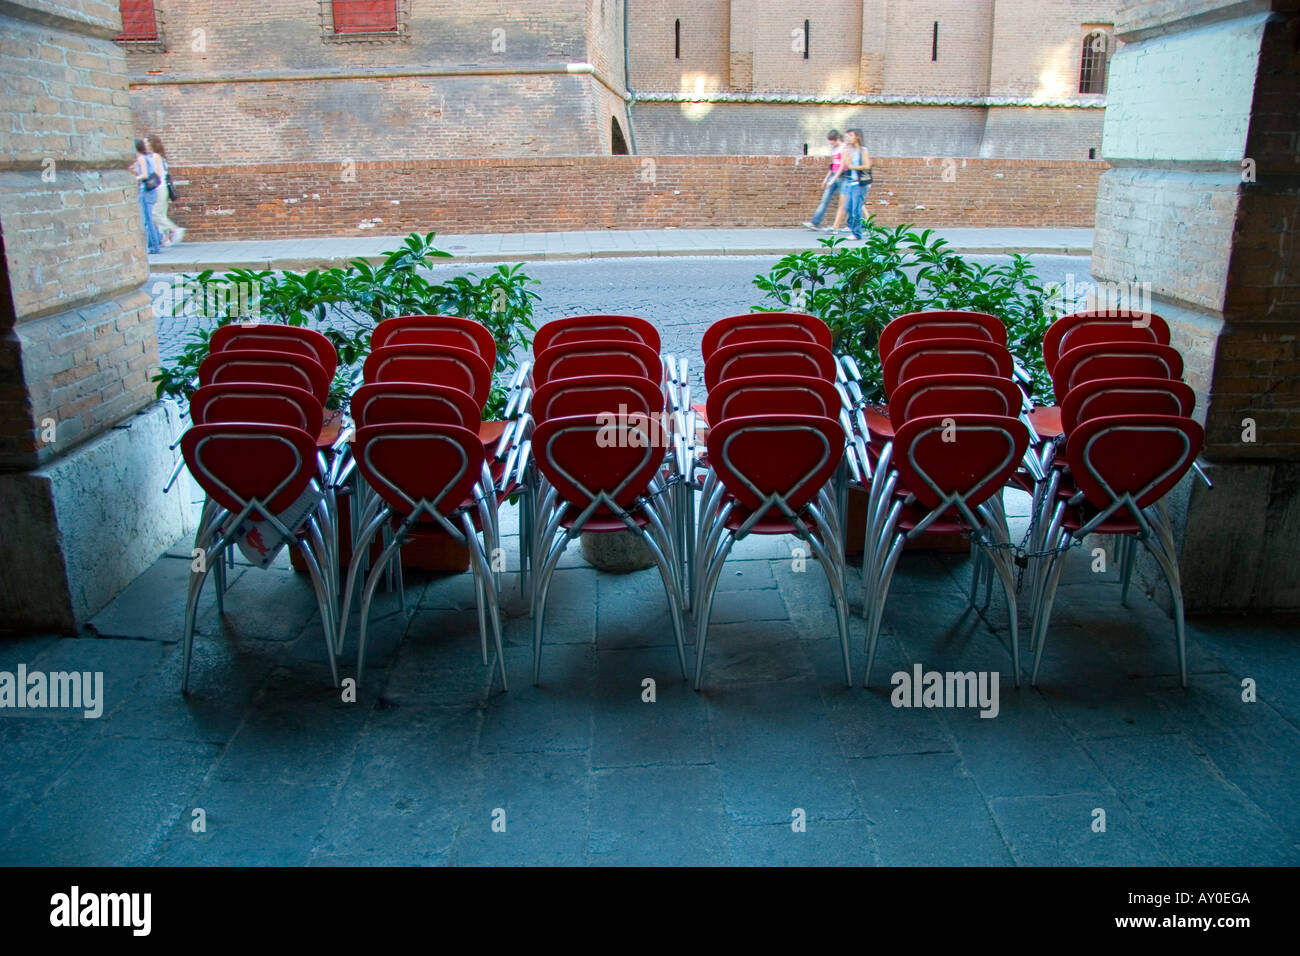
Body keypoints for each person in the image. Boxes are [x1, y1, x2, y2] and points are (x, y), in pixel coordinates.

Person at [802, 130, 847, 231]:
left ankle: (854, 224)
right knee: (824, 199)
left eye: (832, 141)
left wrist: (833, 179)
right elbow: (833, 165)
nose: (831, 144)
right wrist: (826, 178)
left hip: (842, 176)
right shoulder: (834, 148)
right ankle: (815, 222)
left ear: (837, 139)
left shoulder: (844, 148)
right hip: (833, 175)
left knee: (845, 202)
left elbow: (842, 165)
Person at [147, 134, 184, 246]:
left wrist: (147, 179)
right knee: (161, 214)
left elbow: (158, 173)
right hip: (164, 187)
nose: (145, 145)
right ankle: (165, 239)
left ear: (151, 144)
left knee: (154, 214)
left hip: (159, 187)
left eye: (146, 143)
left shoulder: (155, 156)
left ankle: (175, 229)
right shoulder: (161, 156)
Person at [131, 139, 163, 254]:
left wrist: (134, 178)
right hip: (151, 191)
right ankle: (156, 241)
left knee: (147, 221)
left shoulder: (141, 158)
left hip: (146, 191)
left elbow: (144, 175)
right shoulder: (147, 158)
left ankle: (154, 246)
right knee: (150, 220)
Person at [842, 128, 873, 240]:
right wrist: (846, 152)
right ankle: (859, 228)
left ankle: (857, 233)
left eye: (851, 136)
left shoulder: (863, 150)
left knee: (856, 209)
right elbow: (846, 164)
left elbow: (867, 165)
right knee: (849, 207)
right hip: (852, 182)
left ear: (857, 137)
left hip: (860, 183)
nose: (848, 138)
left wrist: (853, 167)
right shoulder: (852, 151)